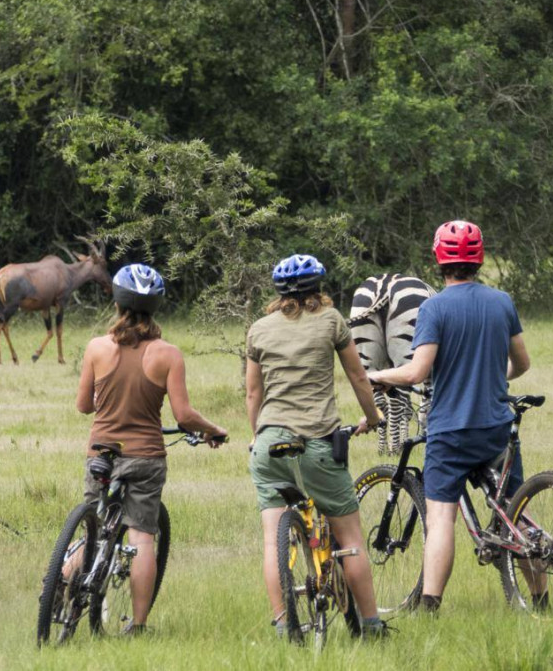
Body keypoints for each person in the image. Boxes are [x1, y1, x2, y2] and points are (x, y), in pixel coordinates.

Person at [368, 220, 531, 613]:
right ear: (480, 259)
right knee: (517, 510)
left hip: (451, 432)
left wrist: (375, 375)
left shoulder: (434, 307)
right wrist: (492, 377)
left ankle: (430, 605)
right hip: (496, 428)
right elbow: (521, 364)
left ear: (439, 258)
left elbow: (416, 373)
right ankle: (539, 601)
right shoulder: (501, 302)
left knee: (441, 518)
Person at [76, 263, 228, 635]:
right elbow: (184, 414)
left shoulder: (96, 347)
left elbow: (84, 406)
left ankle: (60, 591)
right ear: (156, 305)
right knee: (142, 537)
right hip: (145, 458)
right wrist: (213, 429)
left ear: (117, 302)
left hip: (102, 452)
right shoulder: (168, 354)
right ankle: (139, 625)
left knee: (92, 529)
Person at [245, 254, 387, 639]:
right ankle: (372, 626)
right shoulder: (331, 320)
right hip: (317, 443)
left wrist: (256, 435)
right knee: (352, 539)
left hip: (269, 444)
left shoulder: (258, 328)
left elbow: (253, 392)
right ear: (318, 288)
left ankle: (281, 625)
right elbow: (357, 376)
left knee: (273, 539)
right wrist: (372, 418)